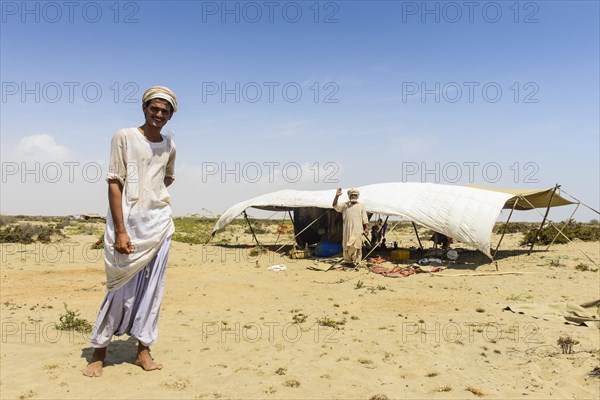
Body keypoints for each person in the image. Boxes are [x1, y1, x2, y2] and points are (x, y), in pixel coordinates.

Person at [83, 86, 178, 377]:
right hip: (128, 226)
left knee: (152, 292)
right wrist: (122, 230)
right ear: (144, 108)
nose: (159, 114)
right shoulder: (124, 136)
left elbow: (167, 178)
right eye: (154, 108)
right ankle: (99, 352)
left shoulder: (169, 144)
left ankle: (143, 351)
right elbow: (114, 182)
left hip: (159, 225)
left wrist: (151, 197)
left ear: (171, 115)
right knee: (119, 289)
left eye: (165, 110)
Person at [332, 188, 368, 265]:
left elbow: (365, 218)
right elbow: (335, 206)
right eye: (352, 195)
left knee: (356, 244)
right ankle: (348, 261)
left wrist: (366, 228)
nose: (353, 196)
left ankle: (356, 261)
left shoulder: (361, 206)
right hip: (347, 229)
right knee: (346, 244)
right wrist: (337, 196)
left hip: (358, 229)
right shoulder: (345, 205)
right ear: (349, 196)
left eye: (355, 195)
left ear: (357, 196)